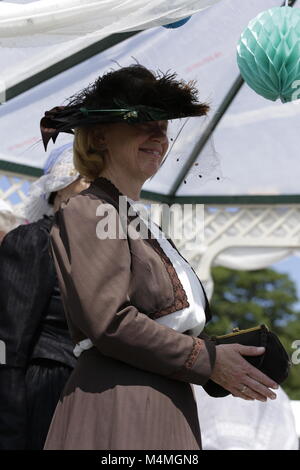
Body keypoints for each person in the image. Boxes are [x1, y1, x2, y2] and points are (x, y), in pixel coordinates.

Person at [41, 64, 279, 450]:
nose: (159, 134)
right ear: (100, 135)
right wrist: (209, 359)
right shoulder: (87, 209)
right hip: (120, 404)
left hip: (166, 398)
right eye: (143, 121)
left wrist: (222, 359)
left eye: (164, 126)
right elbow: (111, 323)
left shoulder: (137, 219)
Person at [0, 144, 89, 449]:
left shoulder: (104, 251)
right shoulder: (34, 242)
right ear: (59, 187)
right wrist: (10, 433)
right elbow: (7, 344)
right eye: (86, 178)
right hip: (46, 392)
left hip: (93, 392)